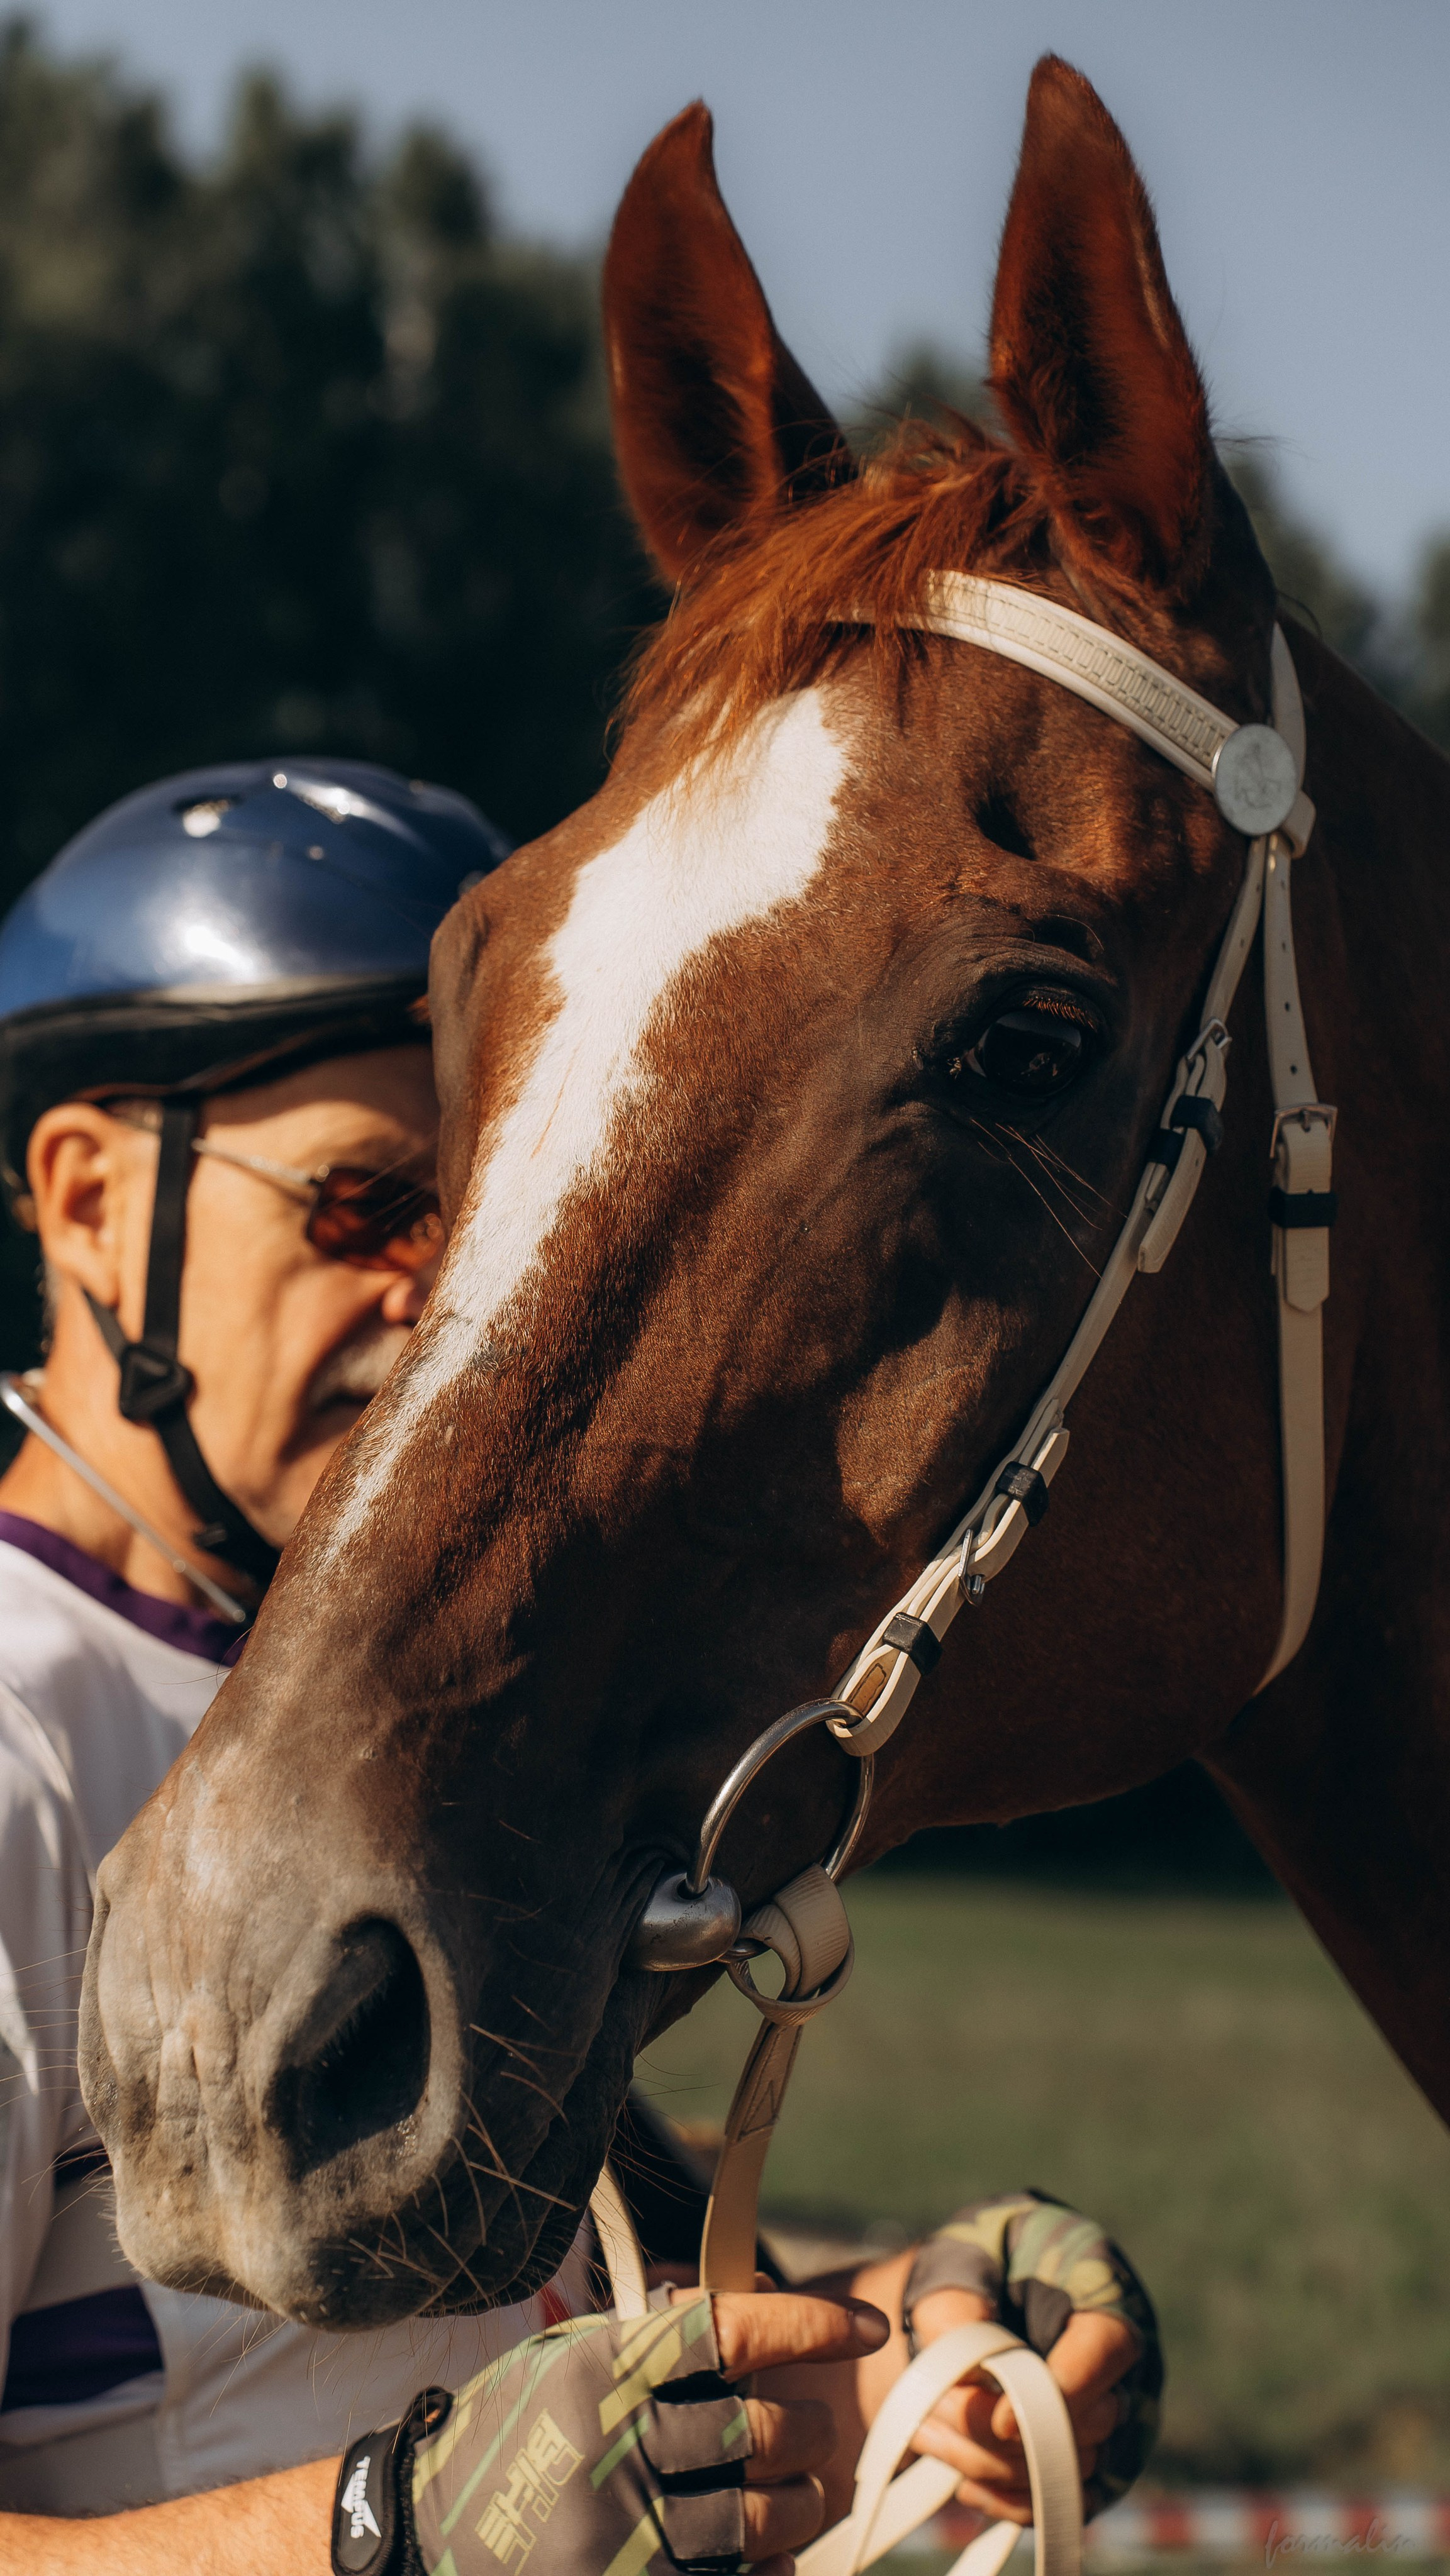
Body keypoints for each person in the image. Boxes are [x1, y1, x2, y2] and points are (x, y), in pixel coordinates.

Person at [0, 763, 1156, 2569]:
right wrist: (390, 2532)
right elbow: (469, 2499)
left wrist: (911, 2341)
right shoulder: (18, 1736)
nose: (438, 1306)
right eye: (370, 1206)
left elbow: (545, 2400)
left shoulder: (338, 1732)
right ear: (83, 1202)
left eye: (483, 1228)